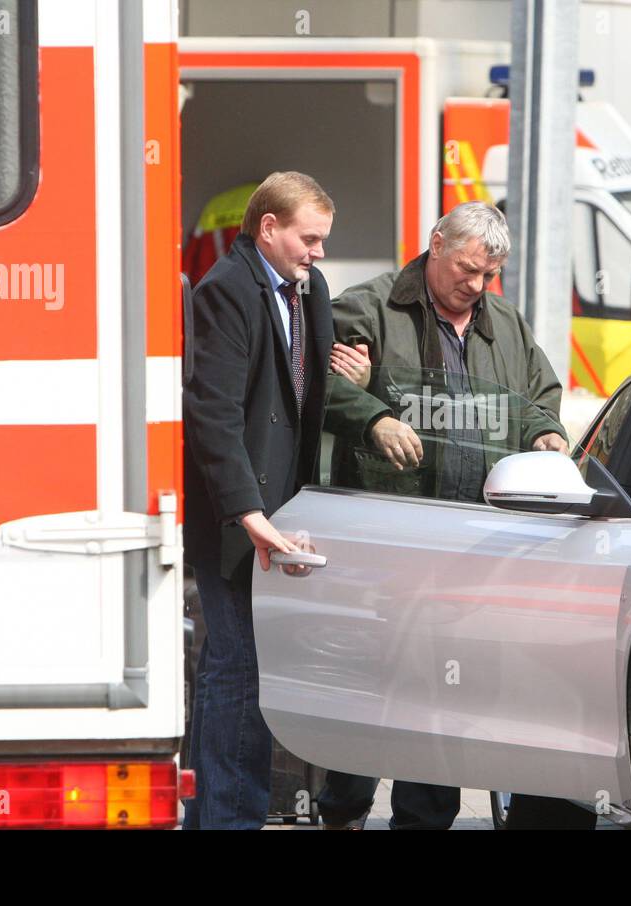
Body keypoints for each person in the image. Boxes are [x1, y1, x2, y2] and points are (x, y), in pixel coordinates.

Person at [316, 200, 570, 830]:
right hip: (392, 539)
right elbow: (316, 387)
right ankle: (342, 809)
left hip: (477, 544)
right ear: (435, 244)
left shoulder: (505, 324)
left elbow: (537, 395)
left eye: (489, 276)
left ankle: (422, 821)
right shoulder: (368, 306)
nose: (476, 287)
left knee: (445, 692)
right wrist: (374, 411)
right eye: (466, 270)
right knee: (381, 685)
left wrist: (544, 436)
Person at [182, 171, 334, 830]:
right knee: (238, 672)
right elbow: (212, 413)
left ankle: (227, 811)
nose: (320, 253)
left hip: (283, 517)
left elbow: (305, 394)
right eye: (310, 238)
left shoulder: (310, 290)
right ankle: (224, 817)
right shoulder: (225, 291)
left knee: (252, 672)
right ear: (268, 228)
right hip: (239, 523)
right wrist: (250, 516)